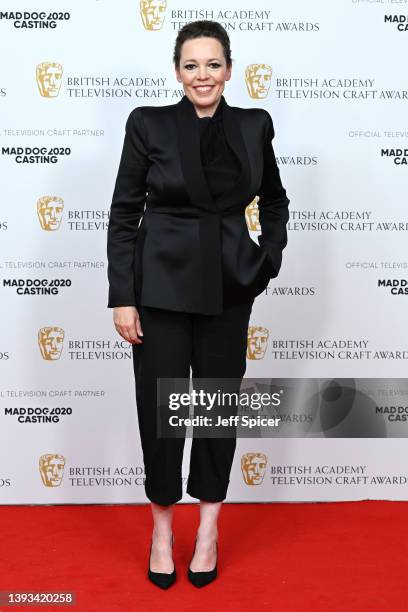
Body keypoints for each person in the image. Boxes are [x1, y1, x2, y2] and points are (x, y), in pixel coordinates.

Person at [106, 19, 290, 589]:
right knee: (160, 418)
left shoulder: (253, 125)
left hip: (228, 291)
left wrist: (266, 258)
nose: (202, 75)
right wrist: (122, 297)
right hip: (157, 290)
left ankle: (208, 529)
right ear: (177, 70)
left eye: (213, 64)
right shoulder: (148, 124)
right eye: (191, 64)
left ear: (229, 69)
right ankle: (162, 530)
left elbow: (277, 201)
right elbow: (124, 213)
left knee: (214, 411)